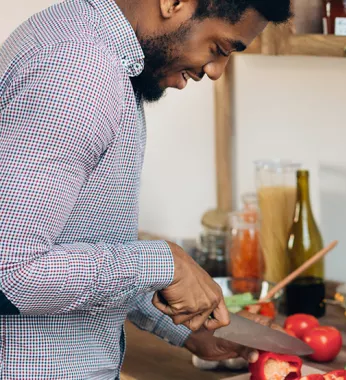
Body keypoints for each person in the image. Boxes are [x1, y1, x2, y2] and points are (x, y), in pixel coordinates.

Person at [0, 0, 291, 378]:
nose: (217, 71)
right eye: (218, 49)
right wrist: (164, 263)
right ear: (173, 3)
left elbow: (80, 241)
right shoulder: (80, 69)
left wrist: (185, 327)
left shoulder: (88, 43)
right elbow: (10, 270)